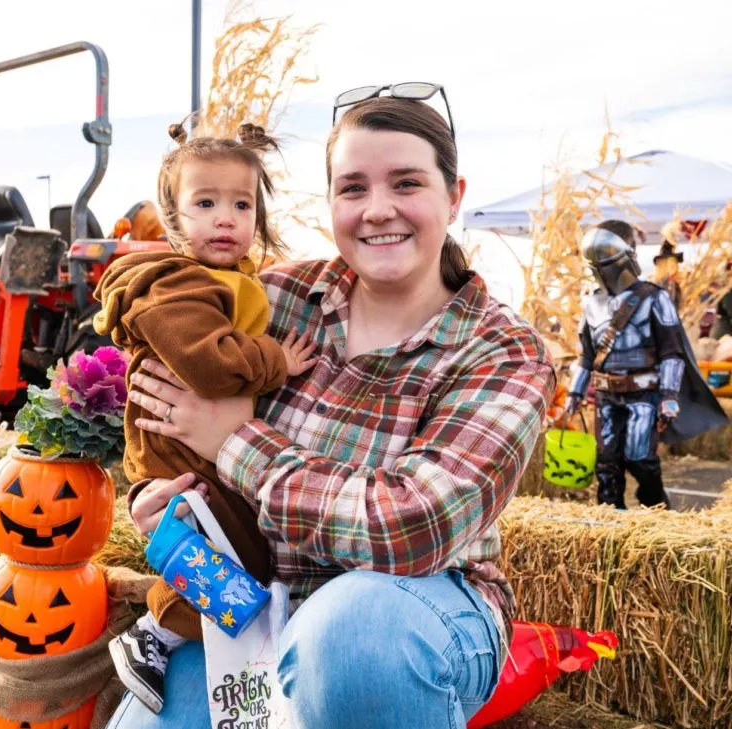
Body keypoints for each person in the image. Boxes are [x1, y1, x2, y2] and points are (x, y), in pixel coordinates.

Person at [104, 91, 557, 729]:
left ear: (453, 196)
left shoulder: (501, 351)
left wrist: (233, 443)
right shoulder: (274, 298)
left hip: (417, 606)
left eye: (406, 183)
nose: (378, 210)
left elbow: (413, 526)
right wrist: (160, 494)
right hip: (248, 601)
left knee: (352, 634)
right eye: (353, 188)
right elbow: (162, 402)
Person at [91, 121, 318, 714]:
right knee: (225, 559)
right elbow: (211, 366)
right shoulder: (173, 287)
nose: (226, 218)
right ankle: (157, 633)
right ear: (173, 220)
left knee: (234, 556)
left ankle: (167, 635)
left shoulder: (231, 280)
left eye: (241, 204)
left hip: (198, 445)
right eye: (206, 202)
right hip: (176, 452)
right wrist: (277, 362)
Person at [565, 221, 728, 510]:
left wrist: (668, 396)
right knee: (607, 463)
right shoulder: (592, 303)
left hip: (644, 393)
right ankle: (610, 518)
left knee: (640, 458)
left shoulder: (655, 298)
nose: (602, 272)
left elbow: (671, 352)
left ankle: (656, 510)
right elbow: (587, 356)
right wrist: (574, 393)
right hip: (606, 395)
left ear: (627, 257)